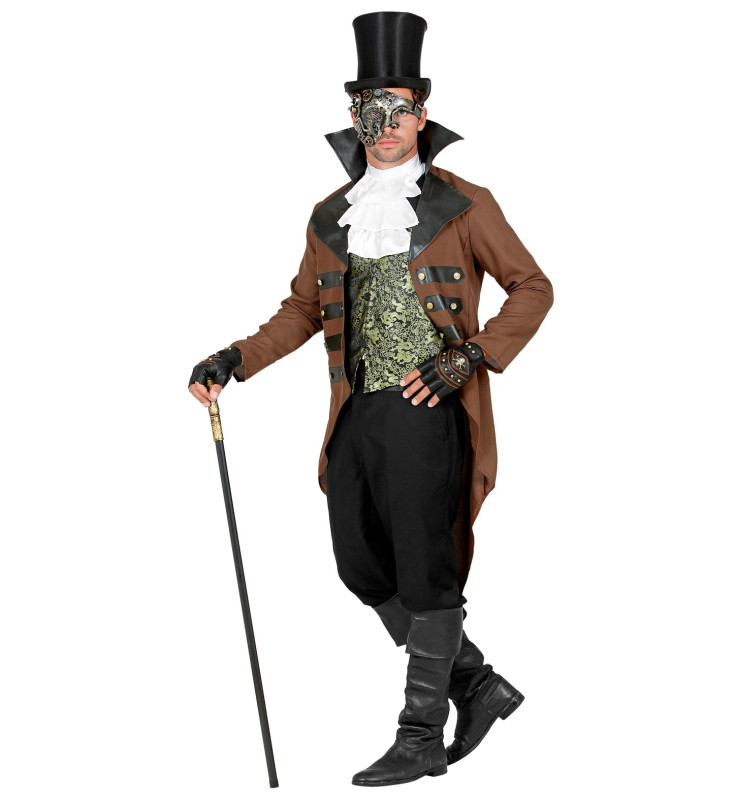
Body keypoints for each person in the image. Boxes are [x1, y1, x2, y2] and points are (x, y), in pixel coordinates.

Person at [188, 11, 553, 788]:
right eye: (368, 110)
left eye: (396, 109)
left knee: (426, 569)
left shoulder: (465, 203)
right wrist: (235, 359)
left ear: (422, 113)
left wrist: (469, 357)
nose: (383, 126)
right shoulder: (331, 214)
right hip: (356, 411)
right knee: (359, 563)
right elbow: (302, 310)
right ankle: (477, 684)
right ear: (353, 116)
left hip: (430, 410)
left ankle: (420, 736)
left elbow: (533, 287)